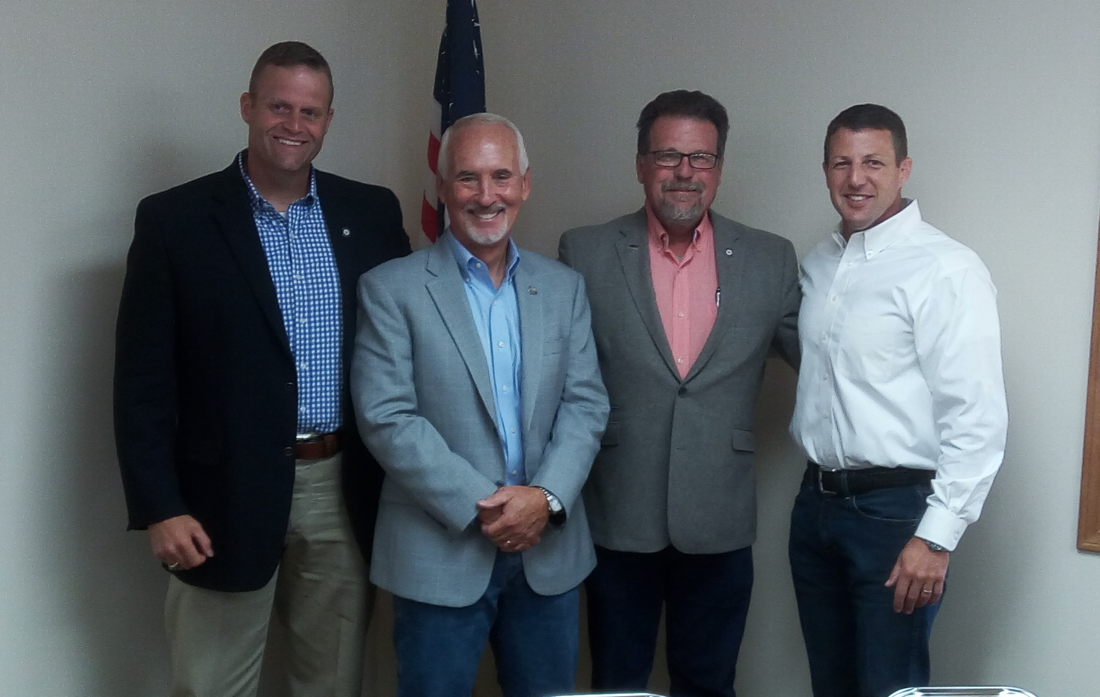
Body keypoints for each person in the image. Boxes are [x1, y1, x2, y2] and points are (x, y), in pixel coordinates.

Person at [113, 41, 411, 697]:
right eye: (279, 106)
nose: (293, 125)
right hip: (219, 495)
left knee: (331, 683)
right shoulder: (174, 220)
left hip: (344, 486)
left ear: (329, 119)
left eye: (310, 111)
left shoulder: (373, 213)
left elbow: (405, 350)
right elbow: (142, 383)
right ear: (249, 107)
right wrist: (160, 505)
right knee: (211, 684)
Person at [352, 113, 609, 697]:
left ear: (525, 184)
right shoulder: (390, 288)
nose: (486, 195)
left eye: (501, 176)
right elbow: (387, 416)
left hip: (550, 554)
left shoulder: (563, 286)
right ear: (442, 189)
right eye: (467, 178)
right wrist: (493, 509)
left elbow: (586, 405)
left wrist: (543, 499)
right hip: (439, 552)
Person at [558, 90, 800, 697]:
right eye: (668, 155)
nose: (685, 172)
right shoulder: (583, 251)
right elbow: (552, 377)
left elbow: (827, 360)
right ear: (640, 164)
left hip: (719, 514)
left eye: (702, 158)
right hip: (619, 510)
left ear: (719, 167)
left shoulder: (771, 258)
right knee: (618, 681)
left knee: (710, 681)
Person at [788, 103, 1008, 697]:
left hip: (897, 516)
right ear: (826, 171)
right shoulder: (819, 263)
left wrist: (936, 537)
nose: (856, 178)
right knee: (829, 685)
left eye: (873, 162)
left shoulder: (946, 269)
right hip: (815, 508)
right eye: (841, 163)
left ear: (904, 169)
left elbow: (977, 417)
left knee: (890, 687)